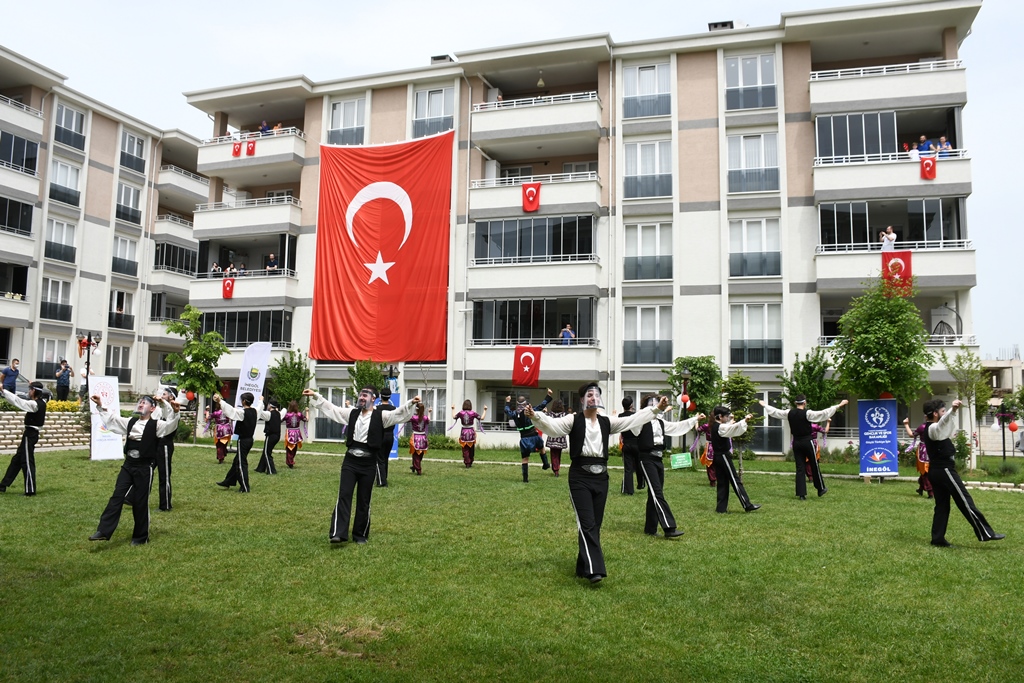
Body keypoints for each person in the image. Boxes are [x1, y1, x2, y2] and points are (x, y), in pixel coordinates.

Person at [527, 383, 670, 583]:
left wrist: (656, 410)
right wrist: (535, 416)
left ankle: (582, 565)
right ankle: (595, 570)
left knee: (596, 524)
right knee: (586, 523)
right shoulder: (572, 420)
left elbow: (634, 419)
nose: (593, 398)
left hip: (601, 477)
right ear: (582, 400)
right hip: (580, 477)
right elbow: (552, 427)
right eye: (589, 395)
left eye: (596, 395)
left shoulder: (607, 422)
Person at [305, 385, 419, 544]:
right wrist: (316, 395)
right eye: (360, 395)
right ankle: (338, 533)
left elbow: (398, 414)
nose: (362, 397)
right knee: (344, 495)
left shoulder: (382, 416)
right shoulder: (351, 413)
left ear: (374, 398)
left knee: (364, 499)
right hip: (350, 462)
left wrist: (411, 403)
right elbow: (333, 409)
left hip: (369, 463)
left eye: (366, 395)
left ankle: (360, 535)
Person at [88, 393, 179, 544]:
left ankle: (140, 537)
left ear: (152, 409)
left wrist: (174, 411)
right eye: (140, 402)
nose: (141, 404)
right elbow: (112, 420)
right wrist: (100, 405)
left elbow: (171, 426)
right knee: (117, 496)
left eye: (145, 403)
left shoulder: (156, 425)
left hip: (144, 467)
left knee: (140, 502)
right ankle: (103, 531)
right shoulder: (130, 422)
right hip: (128, 465)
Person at [922, 398, 1004, 546]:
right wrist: (952, 410)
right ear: (935, 414)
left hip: (937, 471)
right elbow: (942, 423)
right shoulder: (933, 428)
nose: (944, 413)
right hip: (944, 470)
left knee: (942, 506)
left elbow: (944, 425)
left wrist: (950, 413)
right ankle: (986, 533)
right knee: (965, 501)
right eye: (942, 411)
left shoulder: (932, 428)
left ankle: (937, 539)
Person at [631, 395, 705, 537]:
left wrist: (695, 419)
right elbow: (635, 422)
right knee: (657, 492)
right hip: (646, 459)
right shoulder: (640, 421)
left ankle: (650, 528)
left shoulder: (661, 422)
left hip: (658, 459)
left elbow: (677, 427)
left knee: (654, 493)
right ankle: (669, 527)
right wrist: (651, 411)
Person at [760, 396, 848, 500]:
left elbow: (776, 412)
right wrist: (839, 405)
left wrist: (765, 405)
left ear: (795, 403)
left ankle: (801, 494)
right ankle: (820, 488)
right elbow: (823, 413)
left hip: (796, 442)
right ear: (804, 403)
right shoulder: (808, 413)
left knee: (800, 468)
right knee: (814, 464)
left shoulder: (789, 413)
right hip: (807, 441)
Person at [0, 380, 49, 495]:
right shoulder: (41, 402)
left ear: (34, 391)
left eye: (30, 389)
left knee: (27, 462)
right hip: (30, 434)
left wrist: (3, 391)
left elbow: (18, 402)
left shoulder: (35, 404)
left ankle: (30, 490)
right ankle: (3, 485)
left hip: (30, 435)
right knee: (16, 460)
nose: (28, 391)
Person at [709, 406, 761, 513]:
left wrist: (731, 420)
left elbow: (727, 427)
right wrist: (744, 420)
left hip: (718, 457)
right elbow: (730, 429)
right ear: (720, 416)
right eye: (726, 416)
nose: (728, 418)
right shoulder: (720, 427)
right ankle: (747, 504)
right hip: (723, 456)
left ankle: (721, 509)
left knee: (722, 482)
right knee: (735, 480)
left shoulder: (716, 426)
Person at [216, 392, 261, 493]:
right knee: (236, 461)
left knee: (241, 463)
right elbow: (260, 407)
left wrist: (220, 401)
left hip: (243, 440)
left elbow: (231, 411)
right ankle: (228, 481)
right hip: (250, 440)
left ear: (244, 401)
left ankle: (245, 486)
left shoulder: (243, 413)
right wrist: (261, 401)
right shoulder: (255, 411)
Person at [505, 389, 553, 482]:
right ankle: (546, 463)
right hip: (534, 435)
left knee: (525, 459)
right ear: (525, 402)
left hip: (524, 439)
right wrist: (548, 396)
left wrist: (507, 402)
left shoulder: (514, 413)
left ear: (517, 403)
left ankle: (525, 479)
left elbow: (507, 411)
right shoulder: (529, 410)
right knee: (541, 448)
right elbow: (541, 406)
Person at [155, 387, 178, 511]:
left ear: (171, 397)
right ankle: (131, 496)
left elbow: (170, 411)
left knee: (164, 475)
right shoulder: (162, 409)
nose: (161, 396)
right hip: (156, 444)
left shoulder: (174, 411)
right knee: (145, 469)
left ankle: (165, 505)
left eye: (164, 394)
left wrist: (162, 402)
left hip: (165, 444)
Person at [619, 396, 644, 494]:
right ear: (631, 405)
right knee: (639, 465)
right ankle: (641, 483)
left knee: (628, 468)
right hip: (636, 443)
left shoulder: (620, 416)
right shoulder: (635, 415)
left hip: (626, 443)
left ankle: (628, 490)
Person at [903, 417, 933, 498]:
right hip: (934, 450)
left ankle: (930, 492)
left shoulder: (923, 427)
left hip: (924, 451)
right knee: (927, 471)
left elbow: (911, 435)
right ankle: (921, 488)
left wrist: (906, 424)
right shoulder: (937, 426)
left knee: (925, 471)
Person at [451, 400, 486, 468]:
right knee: (471, 447)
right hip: (471, 432)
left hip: (464, 431)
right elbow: (482, 418)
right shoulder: (472, 413)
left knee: (465, 448)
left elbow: (454, 417)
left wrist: (453, 409)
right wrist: (485, 410)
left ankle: (467, 462)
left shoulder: (461, 413)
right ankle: (470, 460)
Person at [375, 386, 397, 487]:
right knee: (385, 457)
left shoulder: (377, 409)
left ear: (380, 396)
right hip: (390, 435)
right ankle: (384, 477)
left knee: (379, 458)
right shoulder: (393, 409)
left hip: (380, 435)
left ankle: (381, 481)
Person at [204, 395, 233, 463]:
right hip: (227, 429)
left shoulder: (216, 413)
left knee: (219, 445)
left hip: (219, 430)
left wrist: (207, 410)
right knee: (224, 443)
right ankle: (223, 453)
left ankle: (221, 457)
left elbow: (208, 417)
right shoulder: (227, 412)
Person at [543, 398, 568, 477]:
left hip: (552, 437)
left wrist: (545, 412)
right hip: (560, 437)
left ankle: (555, 469)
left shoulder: (550, 414)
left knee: (553, 454)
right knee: (558, 454)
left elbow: (545, 420)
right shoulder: (564, 415)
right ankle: (557, 469)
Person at [256, 398, 281, 475]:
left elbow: (259, 413)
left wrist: (260, 402)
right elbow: (285, 410)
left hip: (271, 435)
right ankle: (260, 468)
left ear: (270, 406)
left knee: (267, 452)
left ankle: (271, 470)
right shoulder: (278, 413)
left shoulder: (268, 414)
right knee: (266, 451)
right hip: (277, 435)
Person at [283, 401, 308, 468]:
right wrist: (307, 411)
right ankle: (290, 461)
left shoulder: (287, 415)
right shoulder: (299, 414)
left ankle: (290, 461)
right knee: (294, 447)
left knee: (289, 447)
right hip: (296, 433)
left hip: (290, 433)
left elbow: (280, 419)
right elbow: (306, 419)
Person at [409, 404, 430, 475]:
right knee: (420, 453)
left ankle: (418, 468)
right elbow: (428, 421)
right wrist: (429, 413)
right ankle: (415, 465)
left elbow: (406, 419)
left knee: (415, 454)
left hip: (415, 436)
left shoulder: (414, 417)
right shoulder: (425, 418)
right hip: (423, 437)